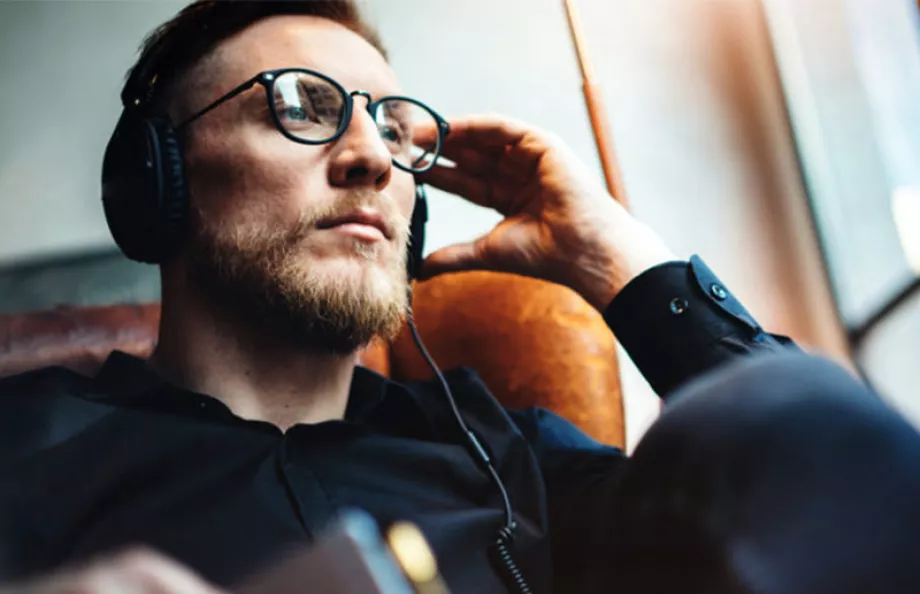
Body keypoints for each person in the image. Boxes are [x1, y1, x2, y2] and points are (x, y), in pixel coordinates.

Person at [2, 1, 920, 593]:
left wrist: (619, 263)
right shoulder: (23, 447)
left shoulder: (514, 456)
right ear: (156, 177)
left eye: (396, 131)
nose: (369, 156)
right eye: (304, 106)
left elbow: (841, 489)